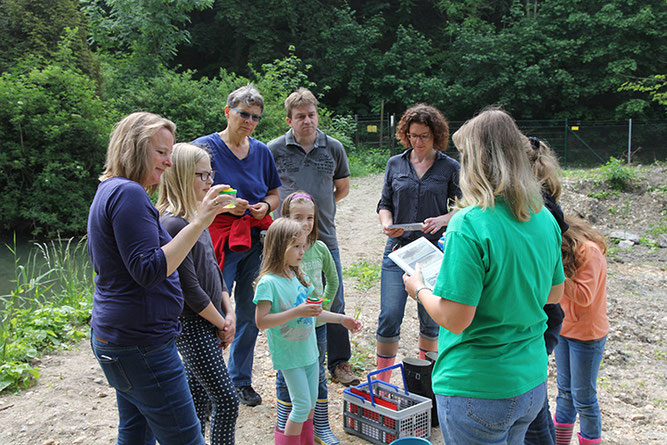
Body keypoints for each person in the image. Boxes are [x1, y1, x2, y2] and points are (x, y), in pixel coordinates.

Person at [403, 107, 565, 444]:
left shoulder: (469, 223)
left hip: (477, 386)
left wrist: (419, 289)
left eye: (464, 155)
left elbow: (455, 318)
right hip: (530, 383)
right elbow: (554, 295)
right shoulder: (543, 217)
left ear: (478, 160)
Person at [87, 112, 228, 445]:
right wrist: (200, 222)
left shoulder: (109, 190)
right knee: (186, 439)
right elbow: (149, 270)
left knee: (135, 434)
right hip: (142, 344)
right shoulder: (128, 194)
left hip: (117, 338)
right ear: (135, 148)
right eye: (161, 152)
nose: (168, 162)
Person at [192, 83, 281, 406]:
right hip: (216, 237)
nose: (249, 121)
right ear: (227, 111)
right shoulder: (205, 148)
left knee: (250, 308)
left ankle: (238, 379)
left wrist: (266, 208)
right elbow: (188, 191)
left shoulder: (261, 151)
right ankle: (204, 381)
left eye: (256, 117)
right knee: (213, 307)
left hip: (254, 238)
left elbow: (274, 192)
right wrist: (224, 206)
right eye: (243, 114)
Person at [267, 88, 357, 386]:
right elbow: (269, 189)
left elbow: (341, 188)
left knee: (335, 298)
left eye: (312, 115)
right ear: (289, 120)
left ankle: (339, 362)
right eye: (300, 116)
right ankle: (292, 362)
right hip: (287, 243)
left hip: (324, 236)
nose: (307, 121)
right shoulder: (274, 149)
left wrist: (316, 212)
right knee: (289, 300)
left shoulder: (333, 147)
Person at [157, 143, 239, 445]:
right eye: (201, 175)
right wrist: (221, 321)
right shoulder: (172, 223)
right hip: (193, 326)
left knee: (200, 400)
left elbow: (214, 271)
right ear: (179, 176)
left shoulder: (197, 217)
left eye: (210, 174)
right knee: (227, 401)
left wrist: (229, 310)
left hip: (212, 319)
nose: (209, 181)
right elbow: (189, 288)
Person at [253, 218, 362, 445]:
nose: (302, 251)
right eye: (296, 246)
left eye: (303, 246)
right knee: (301, 405)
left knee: (310, 404)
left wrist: (342, 319)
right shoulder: (268, 283)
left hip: (310, 352)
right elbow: (261, 322)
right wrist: (297, 311)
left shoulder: (298, 275)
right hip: (289, 357)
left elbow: (315, 312)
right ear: (278, 246)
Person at [375, 103, 460, 383]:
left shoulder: (450, 167)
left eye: (424, 136)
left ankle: (428, 382)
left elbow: (466, 207)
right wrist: (386, 224)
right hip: (398, 251)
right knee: (389, 315)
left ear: (436, 136)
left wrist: (444, 219)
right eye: (412, 135)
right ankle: (383, 382)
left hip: (433, 251)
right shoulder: (395, 164)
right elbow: (384, 203)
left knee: (431, 319)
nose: (418, 142)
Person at [274, 192, 341, 445]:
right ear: (286, 219)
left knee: (317, 373)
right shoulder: (285, 252)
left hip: (318, 325)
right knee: (287, 375)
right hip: (291, 329)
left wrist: (322, 308)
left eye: (310, 217)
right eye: (298, 217)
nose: (305, 223)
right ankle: (285, 424)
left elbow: (332, 280)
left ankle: (319, 427)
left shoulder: (321, 248)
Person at [525, 136, 570, 445]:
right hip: (546, 313)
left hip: (540, 314)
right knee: (534, 397)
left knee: (534, 405)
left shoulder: (539, 208)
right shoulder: (545, 201)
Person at [553, 215, 608, 445]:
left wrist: (555, 268)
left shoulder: (590, 252)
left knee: (584, 399)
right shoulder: (565, 252)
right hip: (565, 330)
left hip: (587, 335)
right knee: (564, 392)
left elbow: (585, 296)